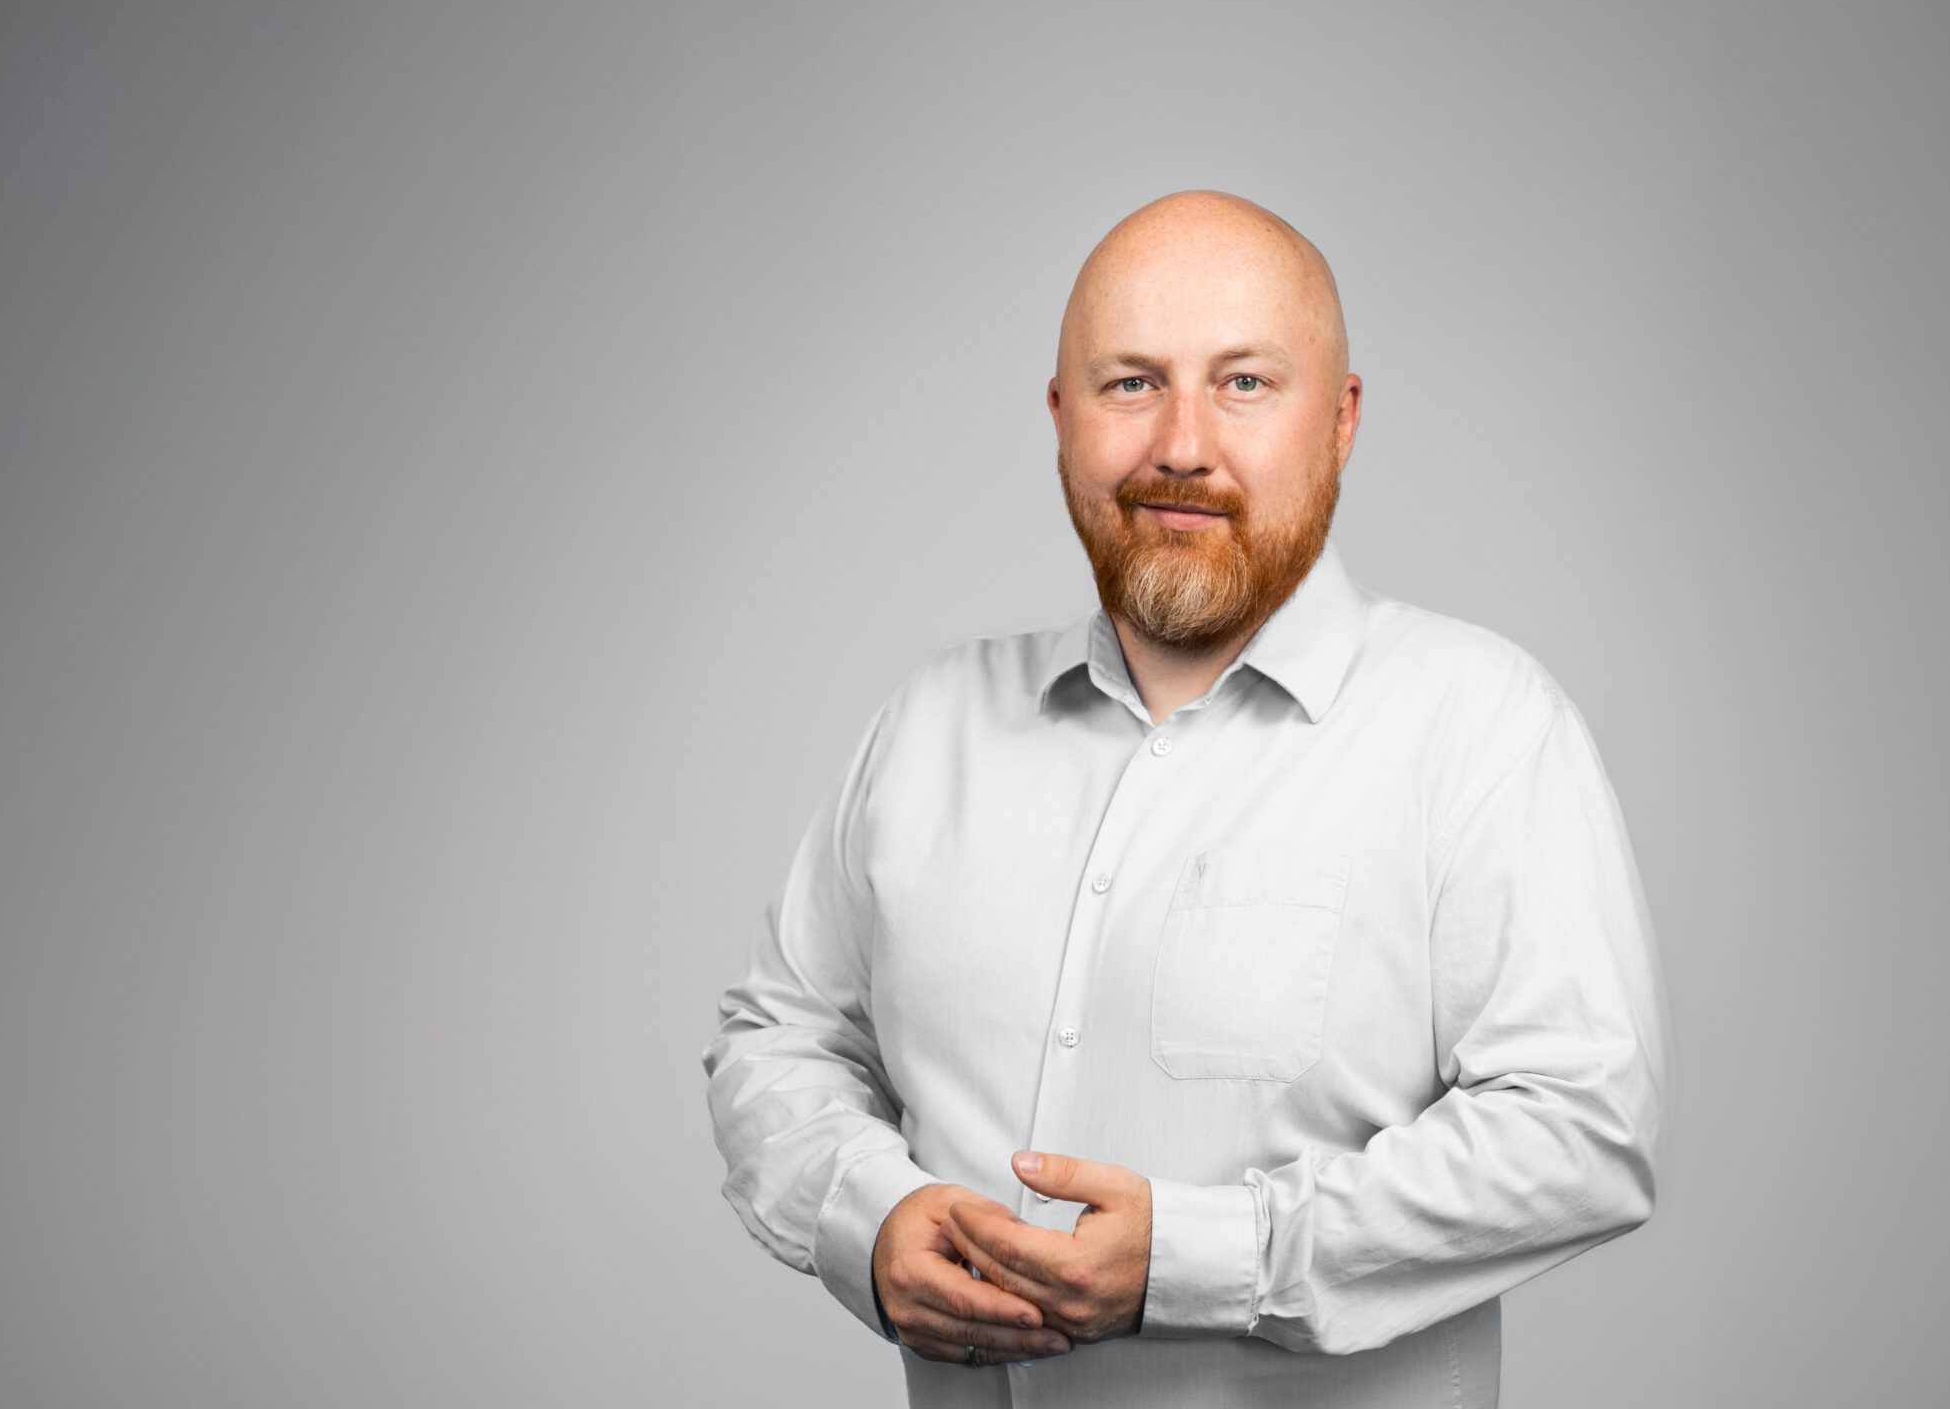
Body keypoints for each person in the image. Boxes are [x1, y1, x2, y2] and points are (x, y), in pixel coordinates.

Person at [703, 191, 1669, 1408]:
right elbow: (778, 1040)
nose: (1181, 445)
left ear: (1344, 419)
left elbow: (1580, 1134)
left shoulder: (1479, 726)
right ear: (1060, 419)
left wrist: (1194, 1261)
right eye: (1129, 384)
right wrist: (868, 1218)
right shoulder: (928, 725)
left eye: (1246, 383)